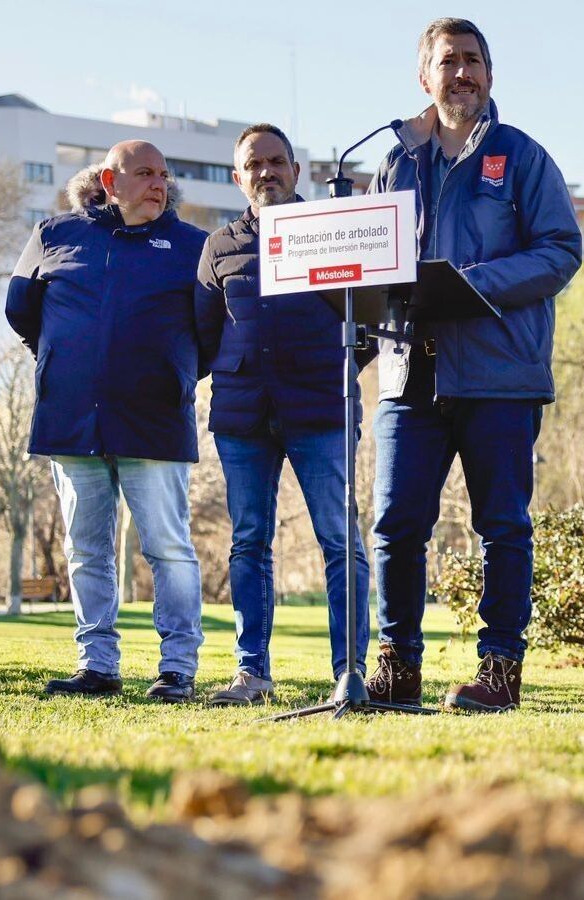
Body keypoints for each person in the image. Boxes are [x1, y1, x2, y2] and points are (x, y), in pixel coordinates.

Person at [364, 17, 582, 712]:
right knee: (396, 524)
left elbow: (560, 251)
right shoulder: (393, 160)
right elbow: (370, 255)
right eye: (448, 61)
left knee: (503, 525)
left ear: (490, 75)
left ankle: (500, 672)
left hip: (498, 374)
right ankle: (396, 670)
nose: (462, 73)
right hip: (408, 372)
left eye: (474, 61)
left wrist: (475, 282)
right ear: (422, 77)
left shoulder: (522, 157)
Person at [7, 140, 208, 702]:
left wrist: (176, 372)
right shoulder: (53, 234)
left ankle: (177, 668)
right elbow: (18, 309)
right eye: (144, 173)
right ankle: (97, 665)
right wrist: (63, 362)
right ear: (109, 180)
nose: (158, 184)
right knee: (86, 548)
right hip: (71, 420)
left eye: (164, 175)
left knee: (168, 547)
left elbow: (212, 330)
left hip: (156, 422)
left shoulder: (194, 246)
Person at [195, 124, 374, 706]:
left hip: (322, 409)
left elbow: (367, 325)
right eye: (255, 164)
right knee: (249, 542)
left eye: (277, 162)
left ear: (297, 171)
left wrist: (327, 368)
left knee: (340, 541)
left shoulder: (334, 232)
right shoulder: (218, 245)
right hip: (244, 417)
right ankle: (252, 673)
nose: (266, 172)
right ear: (237, 176)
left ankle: (351, 672)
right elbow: (203, 333)